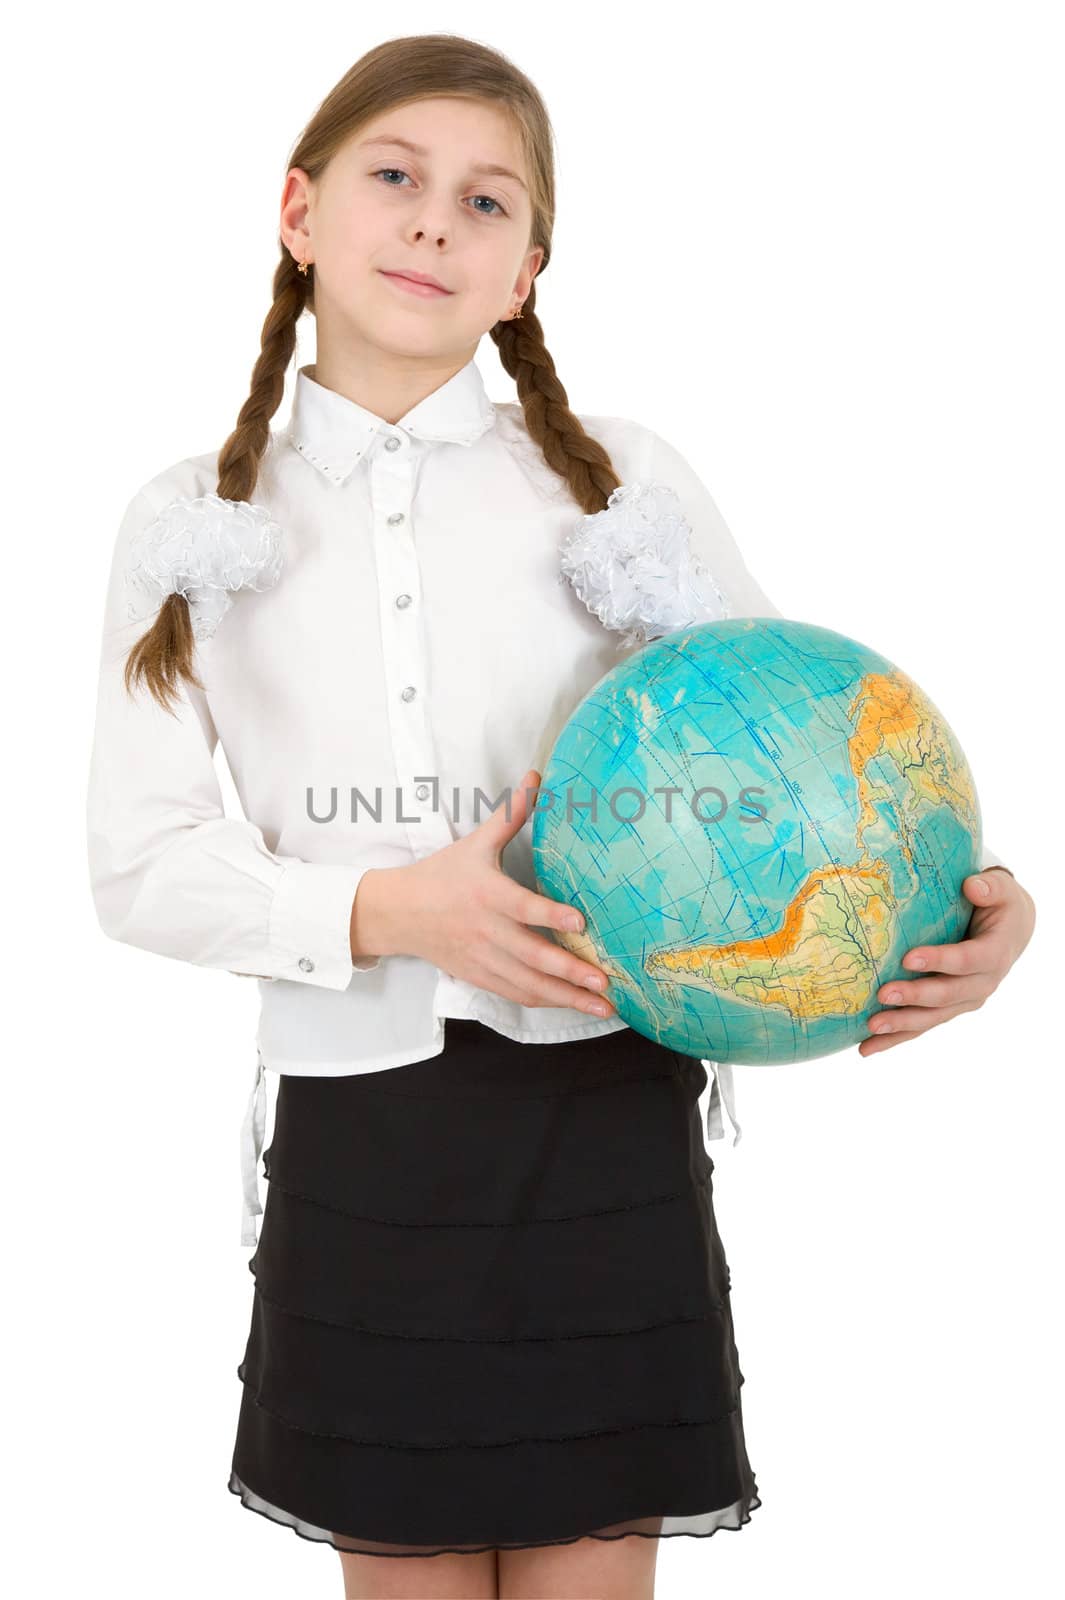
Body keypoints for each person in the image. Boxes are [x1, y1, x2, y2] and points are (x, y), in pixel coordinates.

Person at [85, 33, 1036, 1600]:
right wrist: (394, 911)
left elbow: (801, 767)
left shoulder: (617, 487)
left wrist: (976, 909)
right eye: (395, 178)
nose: (432, 224)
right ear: (298, 208)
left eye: (485, 203)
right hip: (364, 1134)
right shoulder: (194, 521)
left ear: (526, 271)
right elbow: (137, 865)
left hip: (604, 1116)